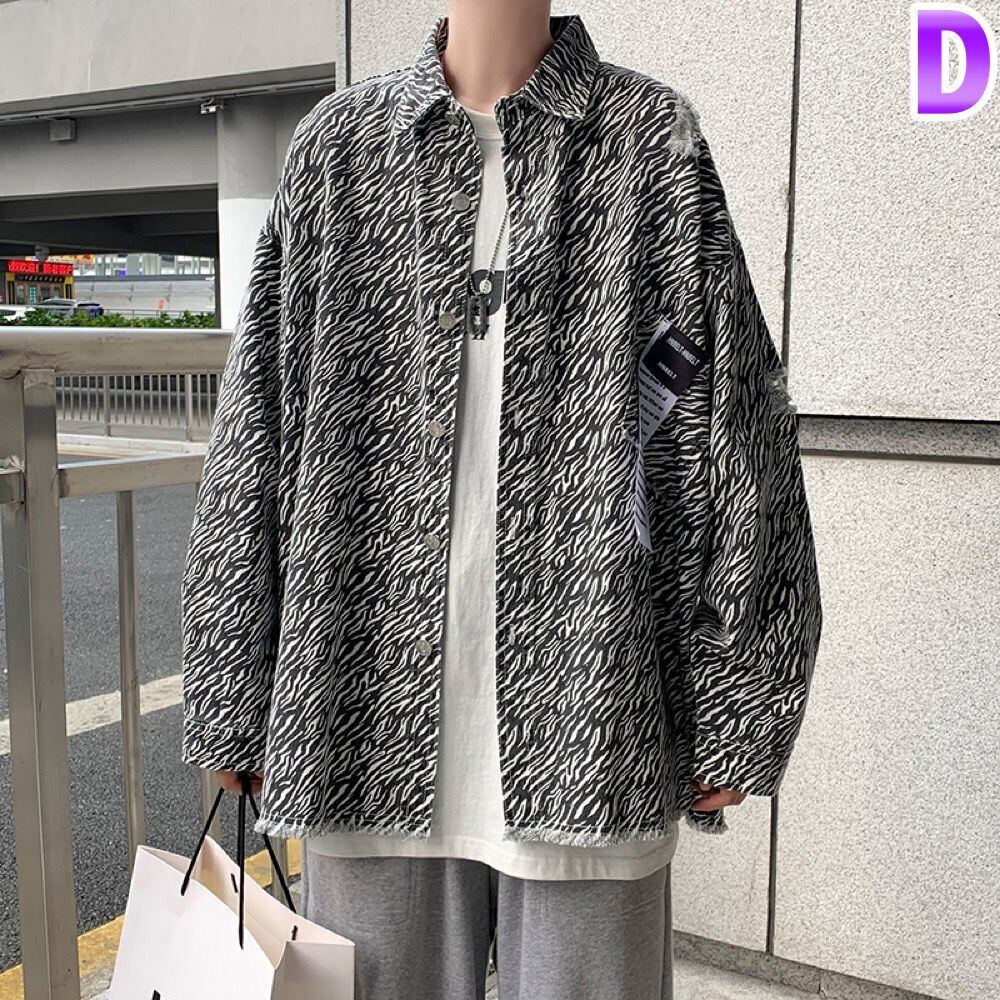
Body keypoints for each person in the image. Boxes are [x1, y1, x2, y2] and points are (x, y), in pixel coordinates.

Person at [181, 3, 823, 998]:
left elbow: (736, 425)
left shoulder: (649, 143)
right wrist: (234, 684)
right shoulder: (340, 151)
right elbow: (256, 431)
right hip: (362, 715)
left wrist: (739, 695)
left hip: (593, 720)